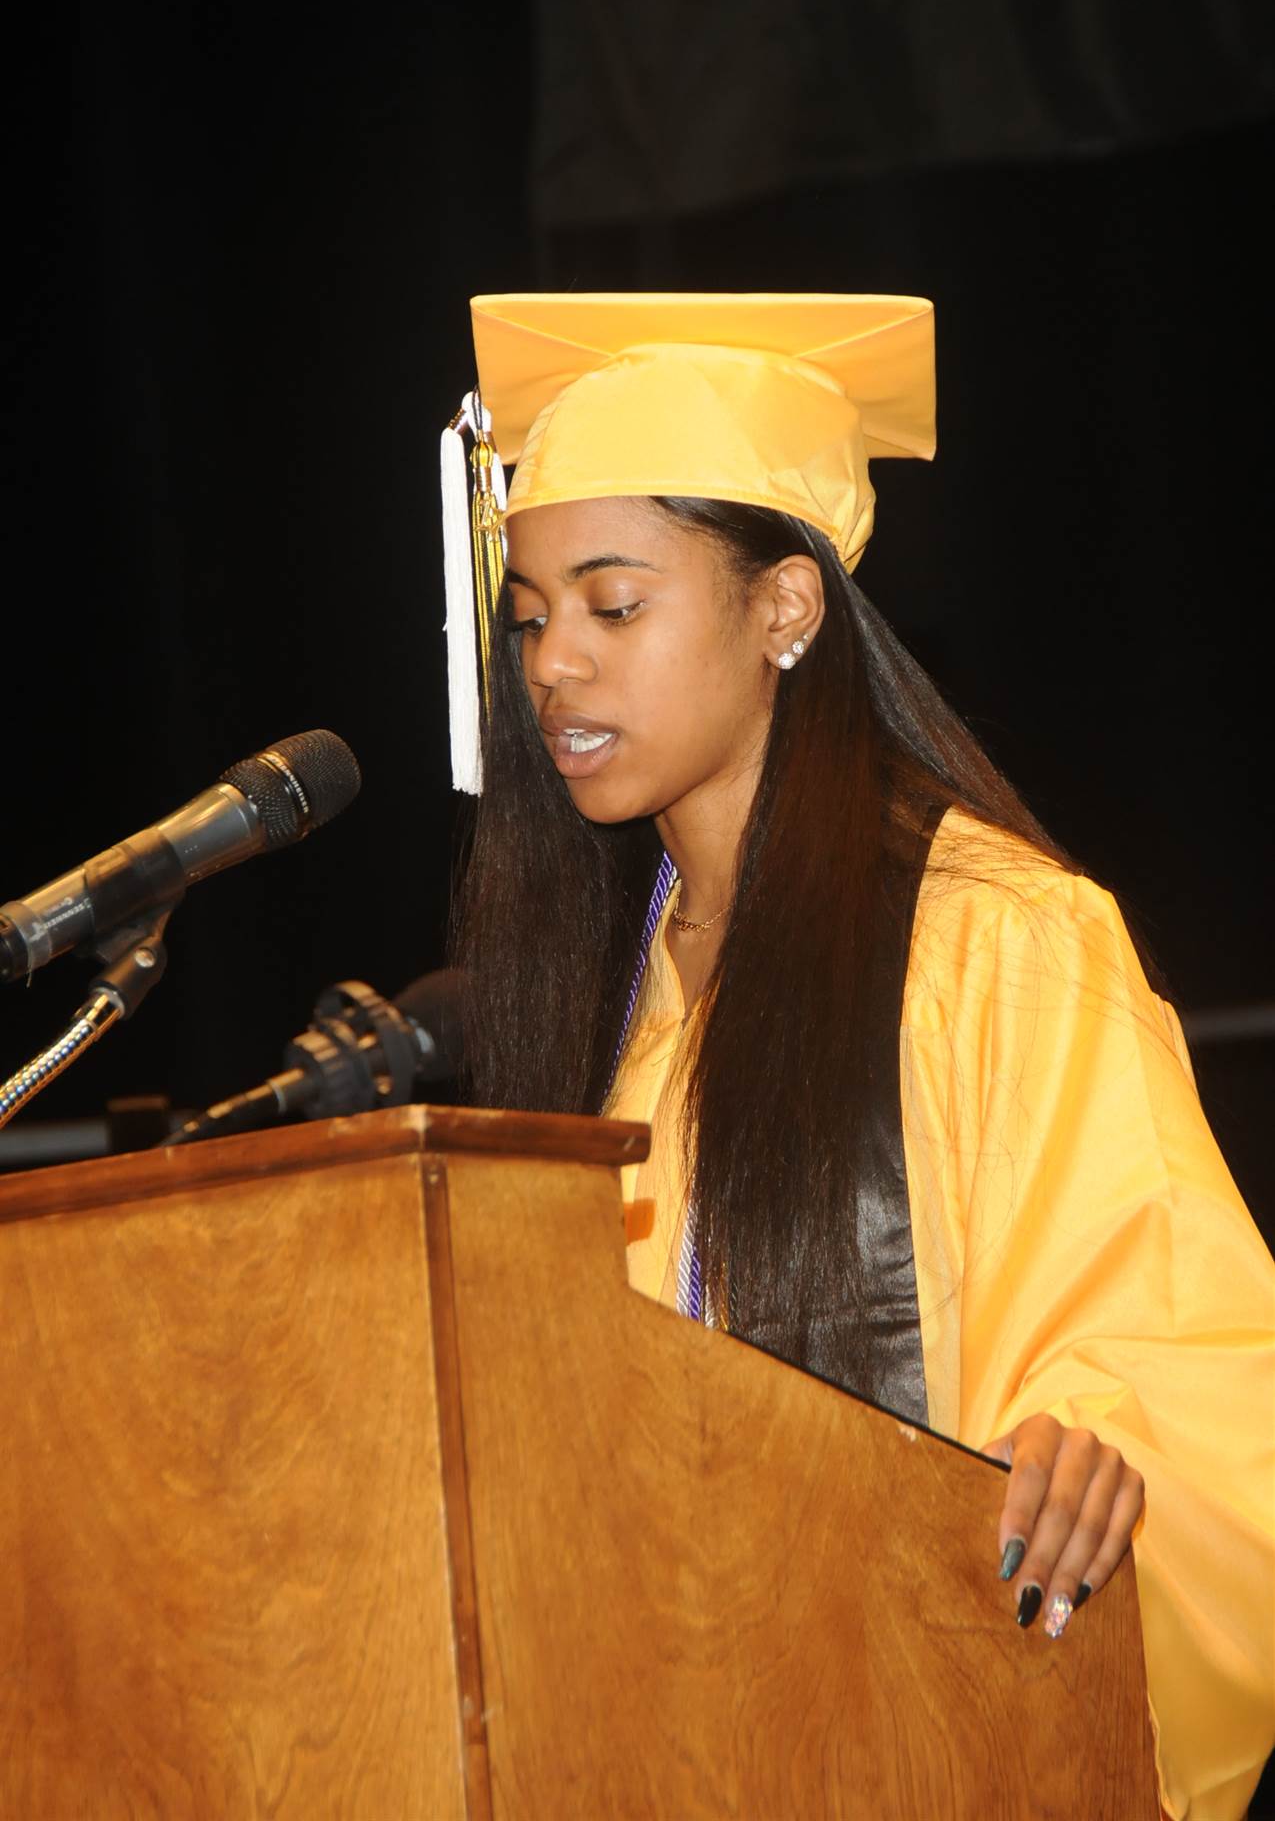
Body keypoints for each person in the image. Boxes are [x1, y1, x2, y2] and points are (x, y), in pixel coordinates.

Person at [443, 293, 1275, 1820]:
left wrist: (1096, 1444)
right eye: (531, 613)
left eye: (614, 605)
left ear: (786, 610)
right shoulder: (590, 1002)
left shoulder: (994, 937)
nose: (555, 662)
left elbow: (1169, 1324)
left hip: (920, 1733)